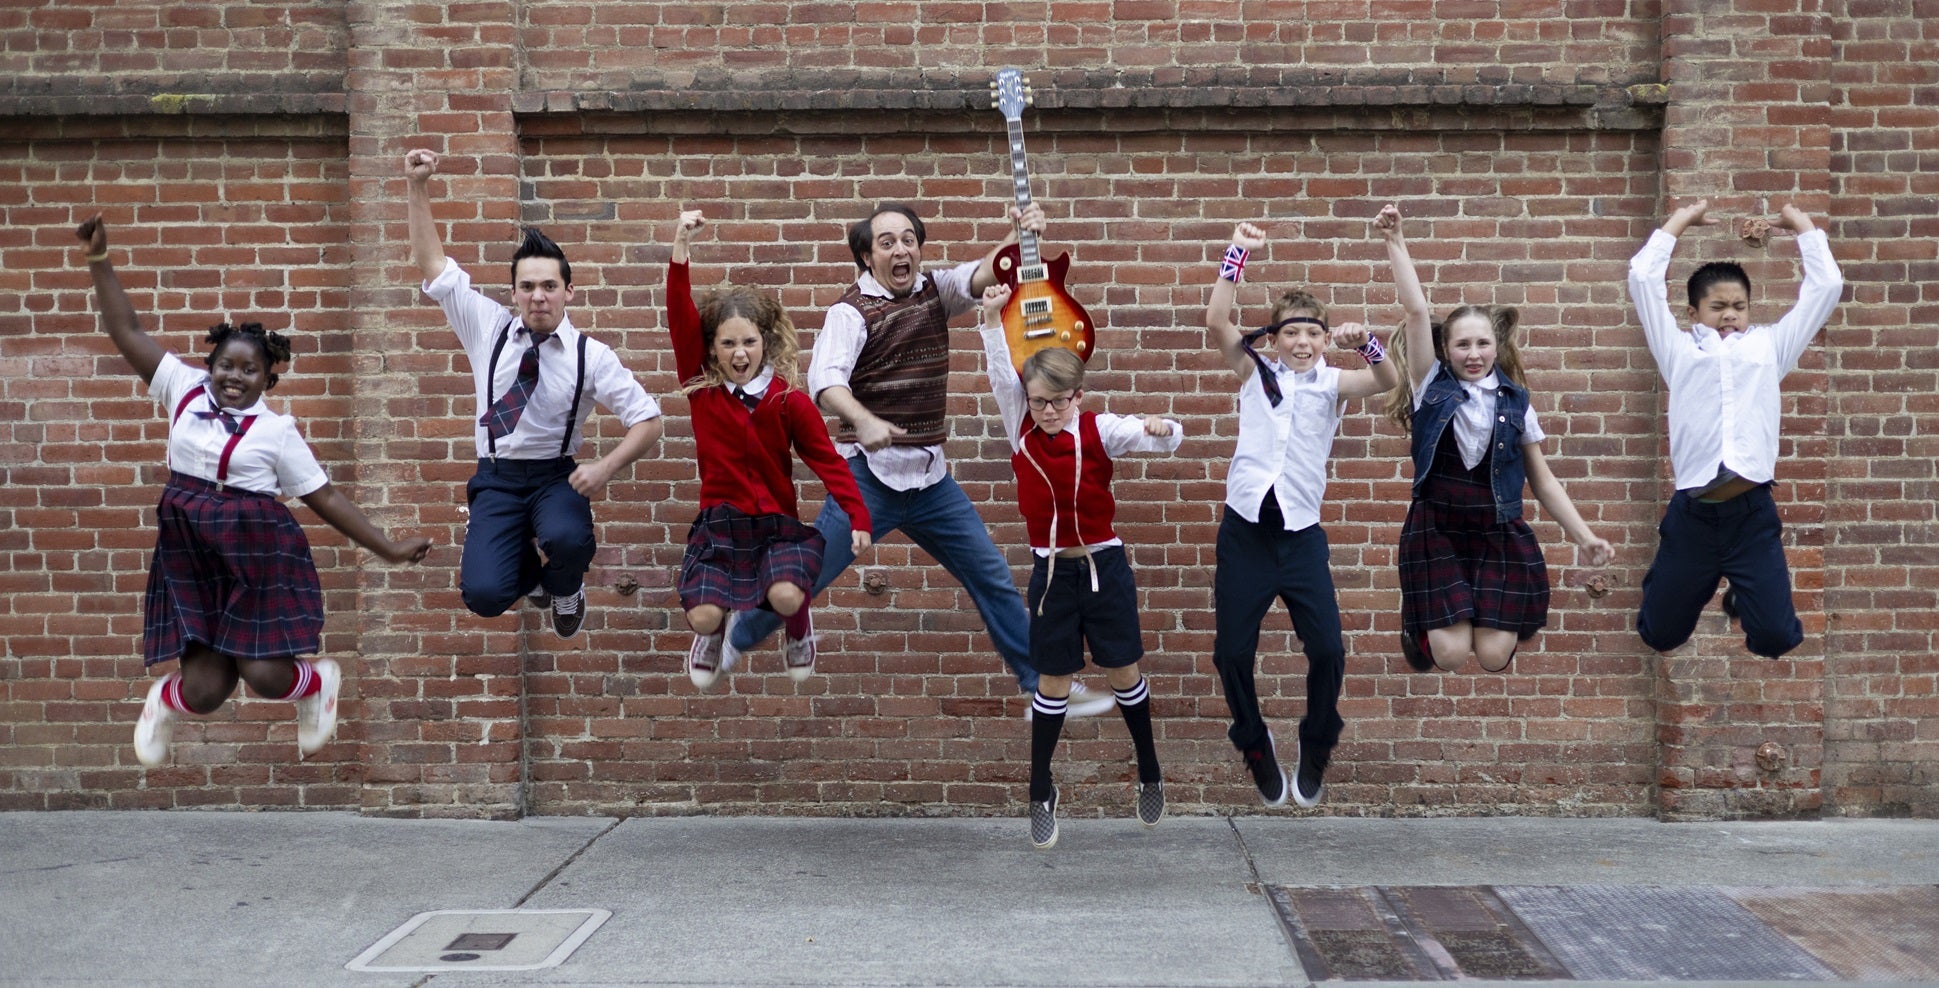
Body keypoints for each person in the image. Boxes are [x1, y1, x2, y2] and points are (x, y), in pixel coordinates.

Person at [720, 201, 1114, 718]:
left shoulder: (932, 290)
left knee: (991, 573)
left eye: (909, 240)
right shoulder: (851, 312)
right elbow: (825, 381)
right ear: (866, 256)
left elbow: (983, 274)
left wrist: (1015, 235)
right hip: (868, 478)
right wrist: (862, 420)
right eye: (886, 242)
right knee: (805, 578)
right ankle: (739, 631)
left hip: (930, 482)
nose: (900, 250)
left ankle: (1039, 683)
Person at [77, 216, 433, 768]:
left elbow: (326, 498)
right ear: (209, 365)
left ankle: (316, 683)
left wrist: (387, 548)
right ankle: (163, 702)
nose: (233, 377)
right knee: (205, 690)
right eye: (224, 365)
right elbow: (128, 332)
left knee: (265, 675)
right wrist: (101, 262)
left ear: (269, 377)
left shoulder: (277, 432)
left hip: (256, 552)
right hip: (191, 551)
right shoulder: (182, 389)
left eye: (249, 369)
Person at [403, 149, 664, 638]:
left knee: (567, 537)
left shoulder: (590, 354)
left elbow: (648, 419)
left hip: (554, 477)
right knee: (483, 595)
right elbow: (433, 264)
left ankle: (565, 586)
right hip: (497, 478)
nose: (538, 296)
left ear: (569, 291)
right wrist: (418, 186)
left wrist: (605, 467)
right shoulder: (488, 328)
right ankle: (534, 578)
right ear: (514, 292)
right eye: (527, 287)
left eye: (549, 285)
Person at [977, 284, 1182, 848]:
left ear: (1077, 397)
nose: (1047, 411)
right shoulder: (1020, 429)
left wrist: (1164, 429)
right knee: (1053, 681)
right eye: (1038, 400)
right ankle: (1040, 789)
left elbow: (1159, 437)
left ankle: (1149, 770)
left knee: (1123, 673)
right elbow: (1000, 374)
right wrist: (992, 321)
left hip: (1104, 566)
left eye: (1058, 401)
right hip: (1052, 574)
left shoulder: (1097, 428)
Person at [1205, 221, 1400, 809]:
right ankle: (1255, 743)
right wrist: (1237, 252)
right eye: (1291, 332)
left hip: (1301, 537)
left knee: (1328, 651)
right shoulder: (1254, 373)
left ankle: (1316, 742)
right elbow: (1218, 321)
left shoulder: (1332, 384)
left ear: (1322, 340)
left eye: (1312, 333)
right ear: (1274, 338)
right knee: (1231, 653)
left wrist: (1366, 341)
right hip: (1245, 534)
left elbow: (1389, 383)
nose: (1302, 343)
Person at [1376, 204, 1614, 673]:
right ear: (1446, 349)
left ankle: (1490, 618)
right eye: (1462, 344)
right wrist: (1395, 240)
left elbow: (1542, 481)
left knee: (1491, 656)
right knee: (1447, 655)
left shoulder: (1517, 403)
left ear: (1496, 347)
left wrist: (1583, 537)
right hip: (1438, 528)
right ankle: (1420, 629)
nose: (1473, 354)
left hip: (1494, 528)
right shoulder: (1431, 388)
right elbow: (1416, 309)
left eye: (1482, 344)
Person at [665, 210, 874, 687]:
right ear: (712, 349)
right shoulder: (702, 390)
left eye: (749, 342)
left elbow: (827, 460)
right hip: (721, 526)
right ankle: (712, 634)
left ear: (765, 342)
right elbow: (679, 316)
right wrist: (680, 246)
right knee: (701, 615)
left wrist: (858, 515)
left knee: (784, 596)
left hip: (776, 528)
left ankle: (798, 627)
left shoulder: (788, 401)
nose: (740, 354)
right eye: (728, 344)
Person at [1627, 200, 1843, 659]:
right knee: (1659, 634)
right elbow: (1643, 280)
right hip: (1694, 516)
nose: (1730, 314)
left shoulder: (1769, 347)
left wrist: (1799, 223)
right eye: (1718, 306)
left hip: (1750, 514)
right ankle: (1685, 580)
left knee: (1776, 640)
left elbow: (1825, 287)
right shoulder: (1679, 352)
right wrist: (1680, 222)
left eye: (1739, 306)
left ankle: (1743, 592)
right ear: (1693, 313)